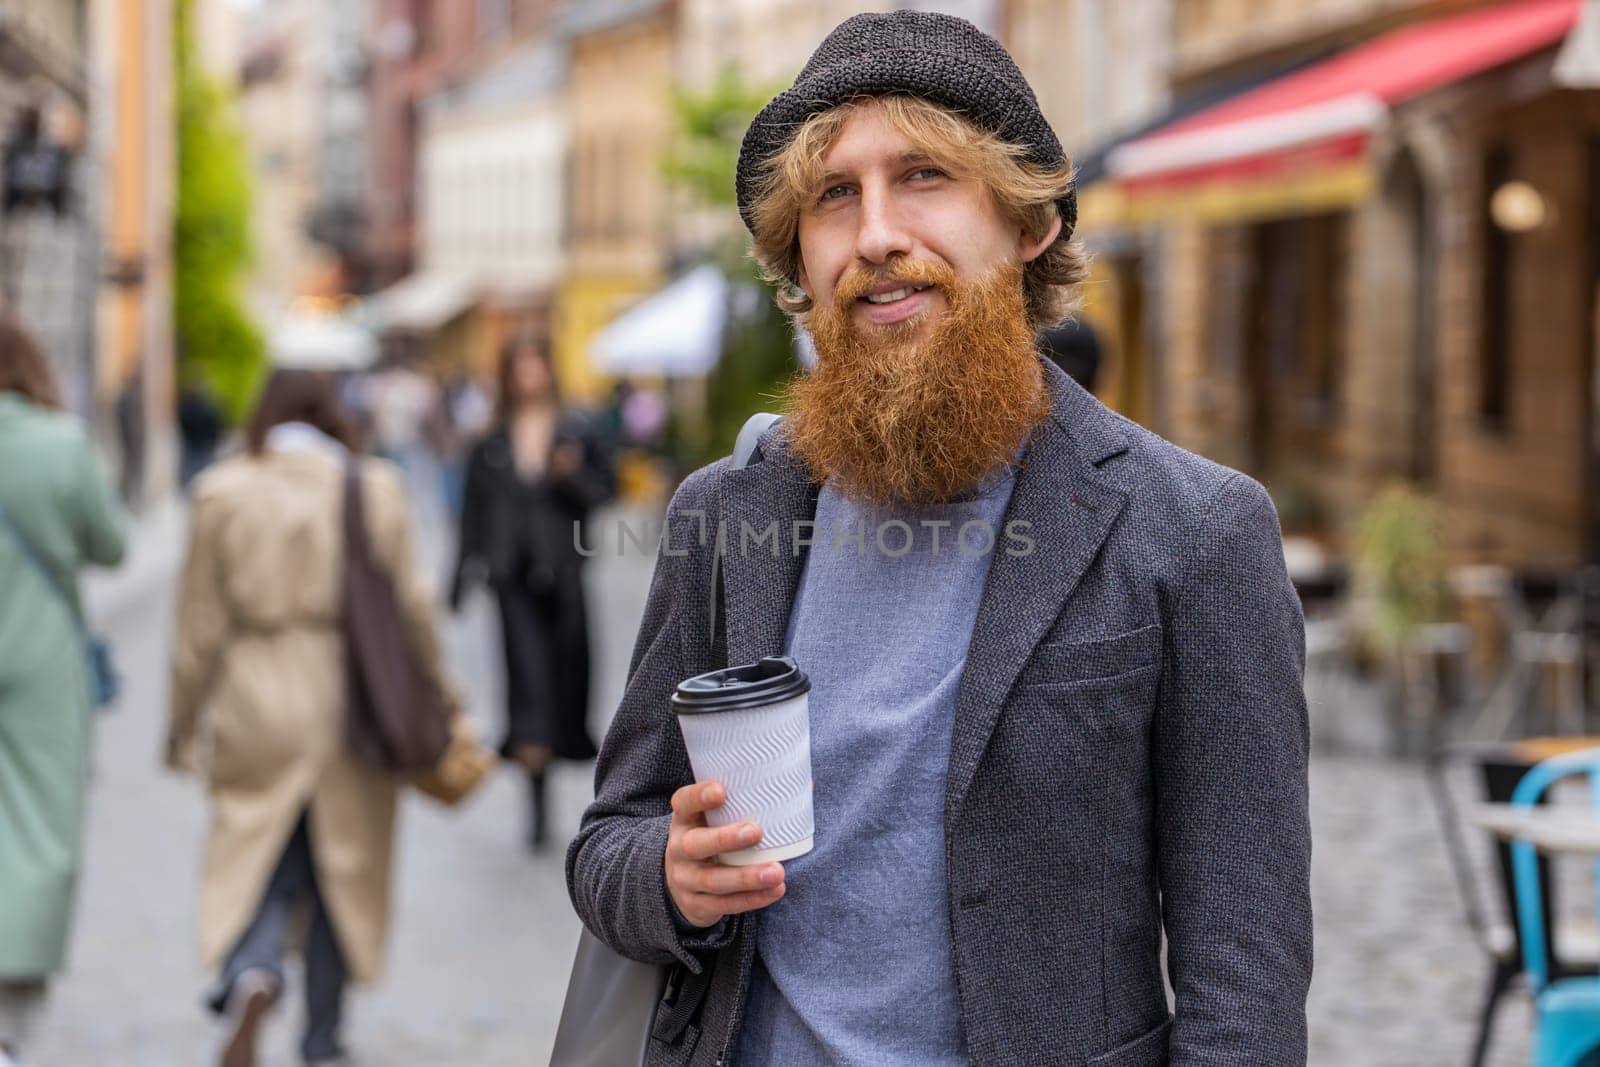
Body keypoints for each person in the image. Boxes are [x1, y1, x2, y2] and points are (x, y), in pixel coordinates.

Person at [566, 12, 1311, 1066]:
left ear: (1026, 224)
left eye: (922, 177)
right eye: (834, 195)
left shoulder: (1193, 531)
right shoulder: (725, 515)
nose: (875, 234)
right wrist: (669, 877)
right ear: (799, 257)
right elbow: (608, 843)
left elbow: (1246, 985)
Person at [167, 367, 457, 1066]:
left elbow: (197, 627)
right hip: (350, 696)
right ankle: (323, 1036)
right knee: (342, 867)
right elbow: (413, 606)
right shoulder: (374, 488)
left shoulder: (223, 490)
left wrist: (181, 725)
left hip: (254, 692)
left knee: (254, 853)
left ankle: (253, 970)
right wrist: (441, 693)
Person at [0, 319, 125, 1066]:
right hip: (41, 655)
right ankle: (12, 1009)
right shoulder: (60, 442)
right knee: (42, 820)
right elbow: (112, 543)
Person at [451, 333, 613, 849]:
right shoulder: (491, 439)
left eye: (534, 365)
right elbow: (471, 513)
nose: (528, 376)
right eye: (518, 366)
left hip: (564, 575)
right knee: (529, 689)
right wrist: (459, 575)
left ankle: (589, 800)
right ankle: (536, 806)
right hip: (511, 580)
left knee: (568, 684)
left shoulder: (576, 428)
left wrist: (569, 475)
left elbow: (603, 494)